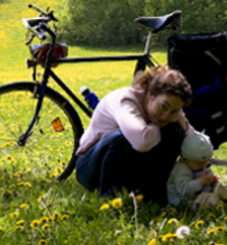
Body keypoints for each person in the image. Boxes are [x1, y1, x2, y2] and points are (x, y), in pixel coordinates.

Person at [75, 67, 194, 204]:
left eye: (174, 111)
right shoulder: (126, 101)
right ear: (150, 95)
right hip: (90, 169)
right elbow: (141, 141)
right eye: (163, 107)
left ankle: (156, 195)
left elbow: (191, 139)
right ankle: (111, 198)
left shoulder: (166, 108)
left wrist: (183, 124)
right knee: (125, 138)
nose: (166, 115)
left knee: (175, 132)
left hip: (126, 166)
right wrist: (158, 127)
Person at [167, 131, 227, 208]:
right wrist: (201, 182)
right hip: (182, 202)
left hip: (197, 197)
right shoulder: (180, 169)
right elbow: (184, 190)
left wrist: (211, 182)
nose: (203, 166)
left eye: (206, 163)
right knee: (206, 199)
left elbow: (203, 184)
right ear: (185, 158)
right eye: (199, 164)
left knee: (217, 189)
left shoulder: (196, 167)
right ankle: (219, 203)